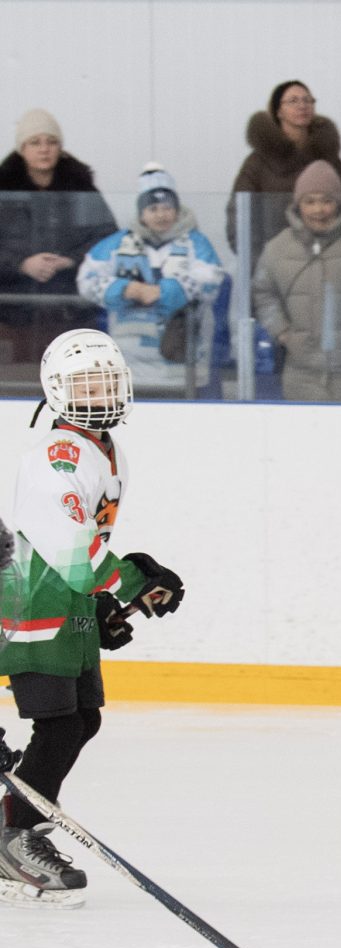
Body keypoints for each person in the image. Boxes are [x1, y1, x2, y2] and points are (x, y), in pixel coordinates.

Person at [0, 330, 184, 907]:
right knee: (59, 723)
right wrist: (128, 582)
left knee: (82, 720)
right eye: (83, 385)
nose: (97, 395)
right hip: (33, 606)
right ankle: (15, 838)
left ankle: (16, 825)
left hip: (67, 603)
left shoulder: (107, 452)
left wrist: (104, 601)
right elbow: (68, 548)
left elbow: (85, 545)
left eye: (105, 383)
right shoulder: (57, 455)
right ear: (57, 390)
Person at [77, 165, 226, 392]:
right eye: (153, 208)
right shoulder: (117, 243)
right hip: (129, 365)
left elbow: (211, 280)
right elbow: (86, 280)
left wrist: (165, 292)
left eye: (167, 207)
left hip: (183, 364)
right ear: (141, 213)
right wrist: (125, 289)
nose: (160, 214)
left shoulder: (196, 243)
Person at [252, 160, 341, 403]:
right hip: (301, 376)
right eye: (309, 201)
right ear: (298, 205)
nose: (318, 210)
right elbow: (263, 291)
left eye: (326, 201)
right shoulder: (277, 248)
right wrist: (282, 331)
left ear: (339, 203)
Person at [0, 111, 116, 365]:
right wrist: (22, 264)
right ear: (22, 148)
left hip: (71, 311)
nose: (44, 149)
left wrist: (70, 260)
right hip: (11, 313)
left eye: (51, 142)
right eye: (35, 142)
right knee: (18, 381)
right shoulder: (3, 189)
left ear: (60, 147)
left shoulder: (81, 187)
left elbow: (107, 239)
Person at [227, 81, 341, 255]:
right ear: (278, 111)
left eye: (307, 100)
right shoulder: (259, 161)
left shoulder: (328, 157)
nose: (302, 106)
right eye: (293, 101)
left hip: (328, 256)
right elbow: (239, 216)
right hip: (276, 259)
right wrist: (258, 261)